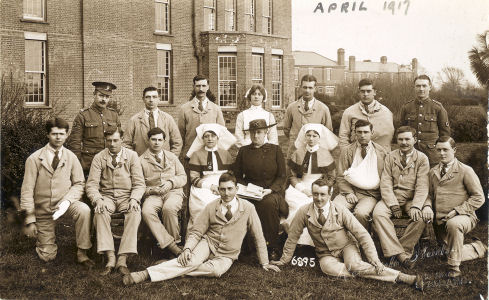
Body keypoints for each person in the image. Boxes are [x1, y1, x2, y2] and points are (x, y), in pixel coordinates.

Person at [122, 172, 280, 285]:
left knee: (216, 272)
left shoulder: (248, 208)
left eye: (230, 189)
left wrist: (265, 262)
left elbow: (258, 236)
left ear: (236, 189)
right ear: (218, 189)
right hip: (208, 243)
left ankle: (171, 265)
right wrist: (188, 249)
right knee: (191, 259)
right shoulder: (211, 207)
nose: (226, 193)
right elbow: (197, 231)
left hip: (227, 254)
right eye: (222, 189)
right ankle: (144, 274)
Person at [271, 178, 423, 291]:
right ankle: (362, 269)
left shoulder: (340, 209)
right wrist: (284, 260)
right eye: (315, 194)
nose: (318, 198)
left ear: (330, 194)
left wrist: (374, 259)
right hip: (325, 253)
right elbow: (293, 237)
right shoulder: (304, 211)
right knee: (329, 269)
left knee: (354, 265)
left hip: (346, 246)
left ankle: (403, 277)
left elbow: (362, 234)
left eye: (323, 194)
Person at [20, 118, 94, 268]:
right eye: (54, 134)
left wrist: (66, 201)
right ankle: (43, 240)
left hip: (65, 205)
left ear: (66, 135)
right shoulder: (34, 159)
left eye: (62, 134)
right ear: (48, 135)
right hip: (43, 209)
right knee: (47, 257)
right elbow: (27, 191)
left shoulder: (71, 157)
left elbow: (79, 183)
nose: (58, 137)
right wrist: (30, 220)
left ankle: (82, 251)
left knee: (84, 210)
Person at [422, 137, 487, 277]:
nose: (442, 153)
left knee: (454, 225)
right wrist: (427, 206)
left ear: (454, 150)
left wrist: (458, 211)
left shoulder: (465, 170)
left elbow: (479, 197)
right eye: (438, 150)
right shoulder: (433, 172)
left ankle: (454, 267)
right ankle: (477, 247)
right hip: (439, 221)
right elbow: (428, 195)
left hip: (463, 217)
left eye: (445, 149)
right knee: (449, 252)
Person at [86, 127, 145, 276]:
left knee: (135, 212)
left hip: (127, 196)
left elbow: (139, 183)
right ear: (105, 141)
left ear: (122, 140)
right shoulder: (99, 157)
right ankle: (110, 256)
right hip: (107, 197)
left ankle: (122, 258)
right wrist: (97, 199)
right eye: (109, 141)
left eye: (115, 140)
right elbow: (92, 184)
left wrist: (134, 199)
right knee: (100, 212)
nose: (112, 144)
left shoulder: (132, 156)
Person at [372, 126, 430, 269]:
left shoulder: (422, 159)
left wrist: (416, 206)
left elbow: (423, 185)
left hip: (411, 200)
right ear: (396, 140)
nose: (404, 142)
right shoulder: (391, 156)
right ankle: (401, 256)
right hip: (392, 198)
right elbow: (385, 182)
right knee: (378, 214)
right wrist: (393, 204)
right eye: (400, 139)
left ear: (414, 140)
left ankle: (402, 250)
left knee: (421, 216)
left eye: (407, 139)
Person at [232, 119, 287, 260]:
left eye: (259, 132)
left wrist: (270, 190)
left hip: (270, 190)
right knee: (241, 205)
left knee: (267, 205)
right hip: (249, 190)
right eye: (252, 133)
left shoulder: (275, 150)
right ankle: (244, 247)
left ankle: (270, 246)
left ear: (265, 133)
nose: (255, 136)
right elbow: (237, 175)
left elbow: (282, 176)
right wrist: (246, 188)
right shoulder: (244, 151)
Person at [283, 123, 338, 246]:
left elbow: (331, 177)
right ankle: (296, 240)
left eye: (314, 135)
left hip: (321, 187)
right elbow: (292, 176)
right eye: (308, 135)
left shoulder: (325, 154)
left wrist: (320, 188)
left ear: (319, 138)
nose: (311, 138)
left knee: (312, 207)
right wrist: (302, 189)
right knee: (298, 206)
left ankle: (312, 243)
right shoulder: (298, 153)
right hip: (301, 186)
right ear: (305, 136)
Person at [140, 127, 187, 257]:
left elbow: (183, 177)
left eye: (160, 140)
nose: (156, 143)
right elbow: (137, 185)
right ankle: (172, 246)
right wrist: (151, 190)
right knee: (147, 211)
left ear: (164, 141)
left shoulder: (172, 157)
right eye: (153, 139)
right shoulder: (141, 160)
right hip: (153, 194)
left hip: (173, 192)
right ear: (148, 140)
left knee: (169, 208)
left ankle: (175, 242)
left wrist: (171, 182)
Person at [333, 120, 387, 229]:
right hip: (350, 191)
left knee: (361, 213)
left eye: (366, 132)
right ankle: (340, 240)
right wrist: (348, 192)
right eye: (359, 132)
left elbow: (385, 177)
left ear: (372, 132)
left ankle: (362, 241)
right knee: (335, 208)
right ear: (355, 133)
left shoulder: (381, 152)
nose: (362, 135)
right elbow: (341, 175)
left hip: (370, 194)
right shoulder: (347, 151)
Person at [187, 123, 235, 228]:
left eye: (213, 136)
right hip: (204, 185)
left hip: (224, 182)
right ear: (202, 139)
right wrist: (211, 187)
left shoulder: (225, 153)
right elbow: (194, 178)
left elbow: (231, 174)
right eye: (206, 136)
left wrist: (223, 186)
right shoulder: (197, 154)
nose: (210, 139)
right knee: (206, 204)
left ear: (218, 138)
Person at [67, 81, 121, 175]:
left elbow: (119, 140)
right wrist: (77, 166)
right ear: (94, 94)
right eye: (101, 95)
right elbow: (75, 144)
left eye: (107, 97)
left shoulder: (114, 115)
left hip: (109, 164)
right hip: (89, 164)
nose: (104, 99)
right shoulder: (83, 116)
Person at [399, 75, 450, 167]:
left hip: (431, 155)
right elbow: (401, 131)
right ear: (414, 87)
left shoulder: (438, 107)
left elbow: (445, 134)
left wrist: (442, 153)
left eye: (424, 86)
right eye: (418, 86)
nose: (421, 89)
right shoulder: (406, 107)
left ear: (430, 87)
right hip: (411, 153)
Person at [123, 86, 182, 156]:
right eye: (148, 97)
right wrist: (135, 160)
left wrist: (170, 159)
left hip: (164, 163)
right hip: (141, 162)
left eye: (154, 97)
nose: (151, 100)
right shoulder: (134, 120)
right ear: (143, 99)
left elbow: (177, 142)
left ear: (159, 99)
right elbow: (126, 144)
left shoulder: (168, 118)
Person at [282, 75, 333, 157]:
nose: (307, 91)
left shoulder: (323, 109)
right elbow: (286, 129)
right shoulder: (291, 107)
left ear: (315, 89)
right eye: (305, 87)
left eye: (310, 88)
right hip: (295, 150)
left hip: (315, 152)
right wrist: (296, 140)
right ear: (300, 88)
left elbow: (328, 132)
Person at [338, 78, 394, 151]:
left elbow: (388, 138)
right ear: (359, 93)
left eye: (368, 91)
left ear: (375, 92)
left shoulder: (386, 112)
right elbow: (343, 136)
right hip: (356, 155)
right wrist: (346, 155)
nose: (365, 94)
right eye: (362, 91)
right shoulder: (349, 112)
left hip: (379, 155)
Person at [178, 75, 225, 159]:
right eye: (198, 86)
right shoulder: (184, 109)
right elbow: (181, 134)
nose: (201, 89)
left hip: (210, 153)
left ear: (208, 87)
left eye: (203, 86)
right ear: (193, 87)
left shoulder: (216, 109)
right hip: (190, 153)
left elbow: (221, 133)